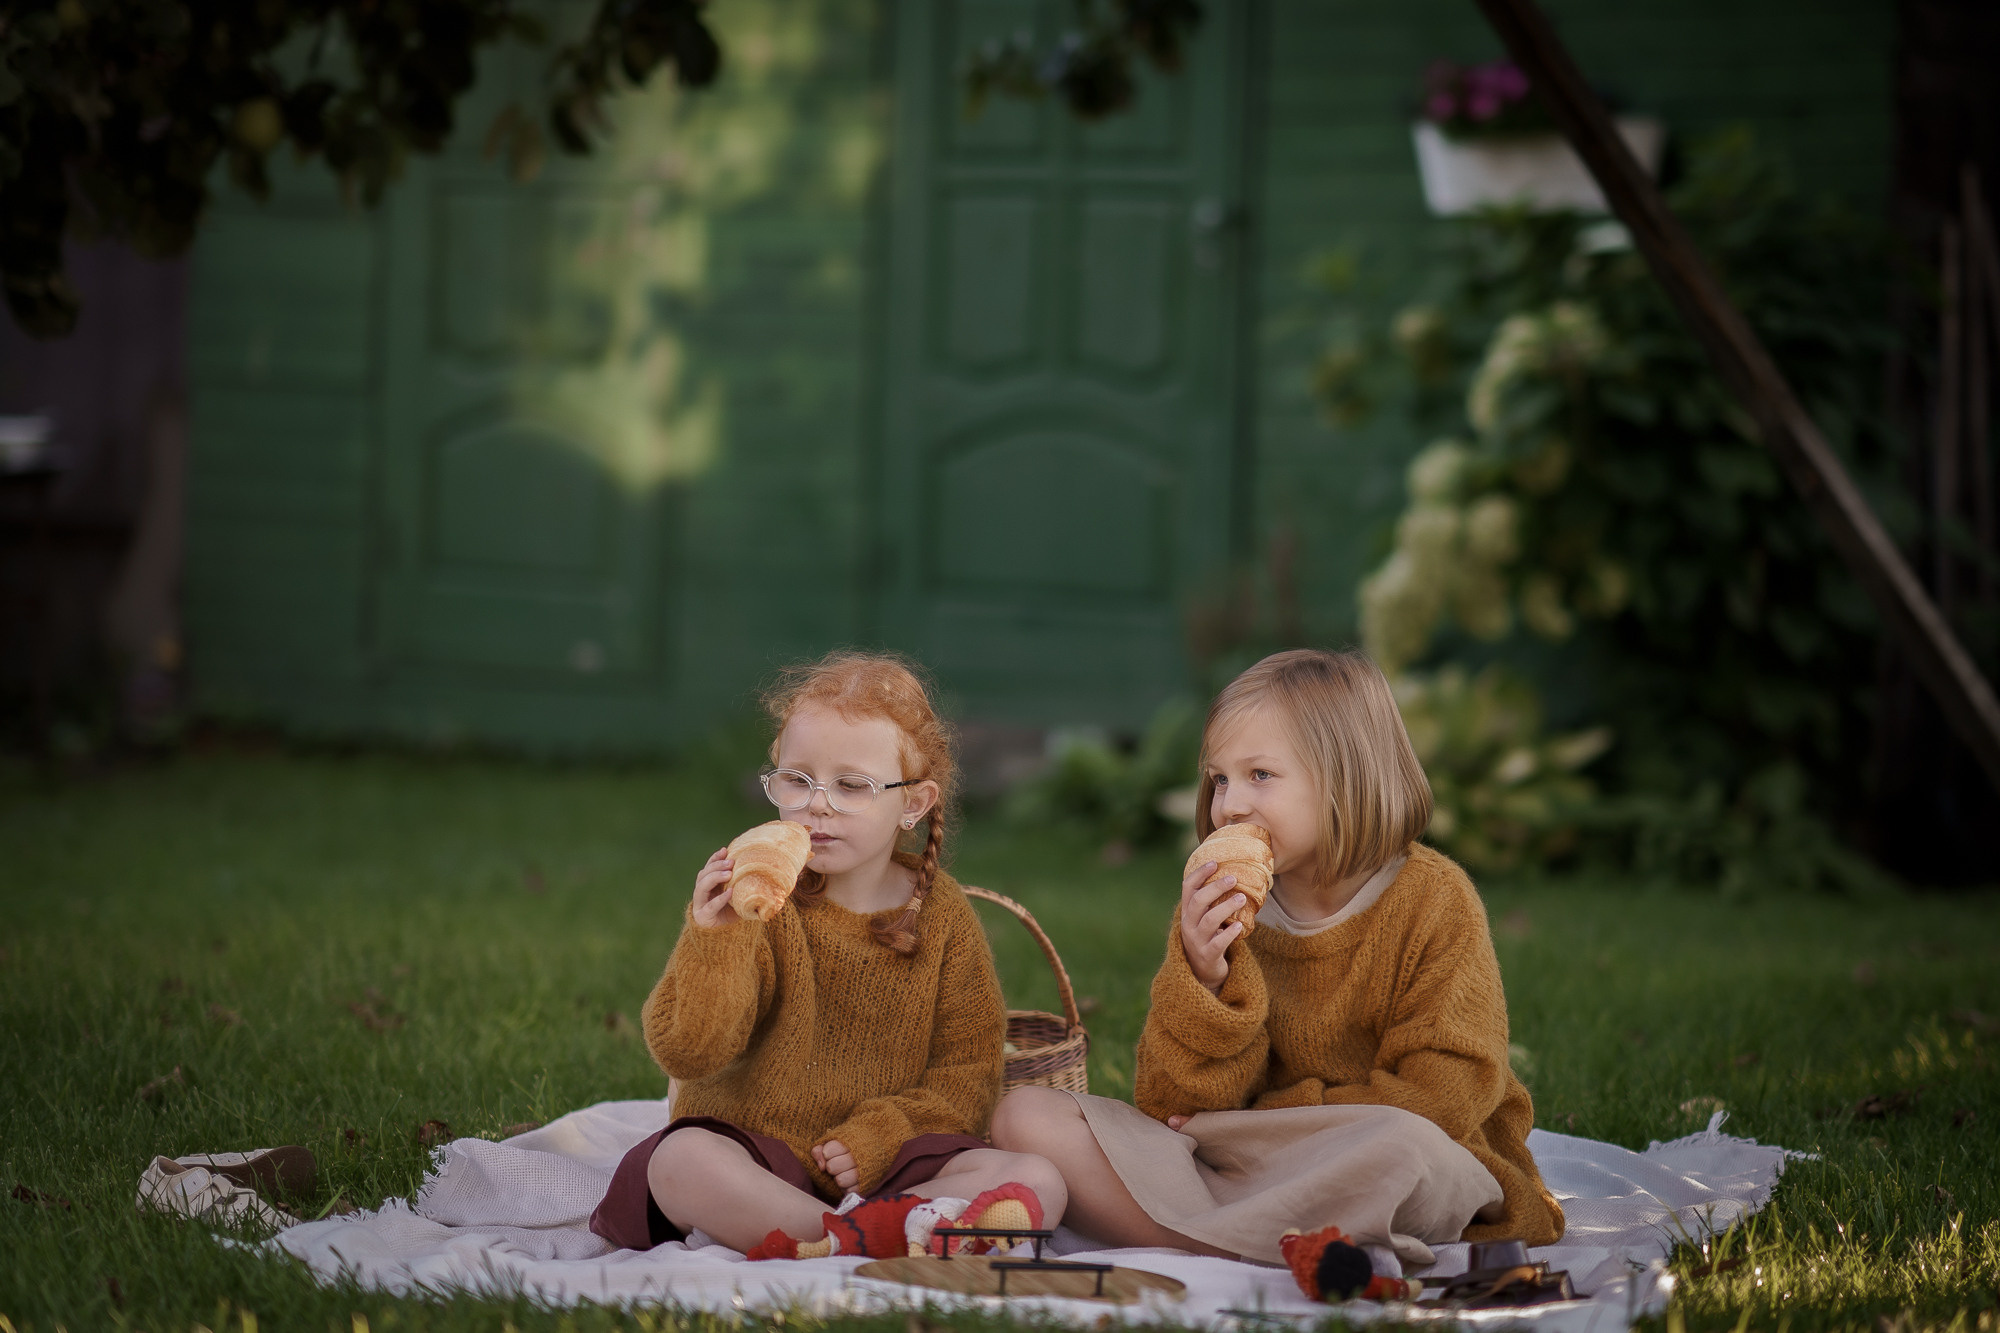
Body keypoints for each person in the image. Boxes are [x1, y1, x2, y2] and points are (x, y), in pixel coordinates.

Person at [991, 649, 1563, 1276]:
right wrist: (1205, 979)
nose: (1230, 804)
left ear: (1345, 778)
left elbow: (1445, 1095)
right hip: (1244, 1158)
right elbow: (1169, 1108)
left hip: (1379, 1148)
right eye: (1219, 780)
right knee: (1025, 1114)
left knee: (1404, 1151)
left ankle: (1203, 1238)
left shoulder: (1434, 901)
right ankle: (1277, 1249)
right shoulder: (1224, 907)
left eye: (1260, 774)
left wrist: (1269, 1120)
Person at [590, 651, 1063, 1258]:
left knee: (1039, 1177)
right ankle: (871, 1240)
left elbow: (968, 1076)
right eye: (798, 780)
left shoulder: (941, 916)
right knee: (680, 1160)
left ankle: (857, 1235)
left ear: (913, 805)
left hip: (888, 1166)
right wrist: (716, 939)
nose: (818, 804)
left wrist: (880, 1138)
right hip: (756, 1150)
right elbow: (691, 1051)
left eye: (851, 785)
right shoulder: (757, 902)